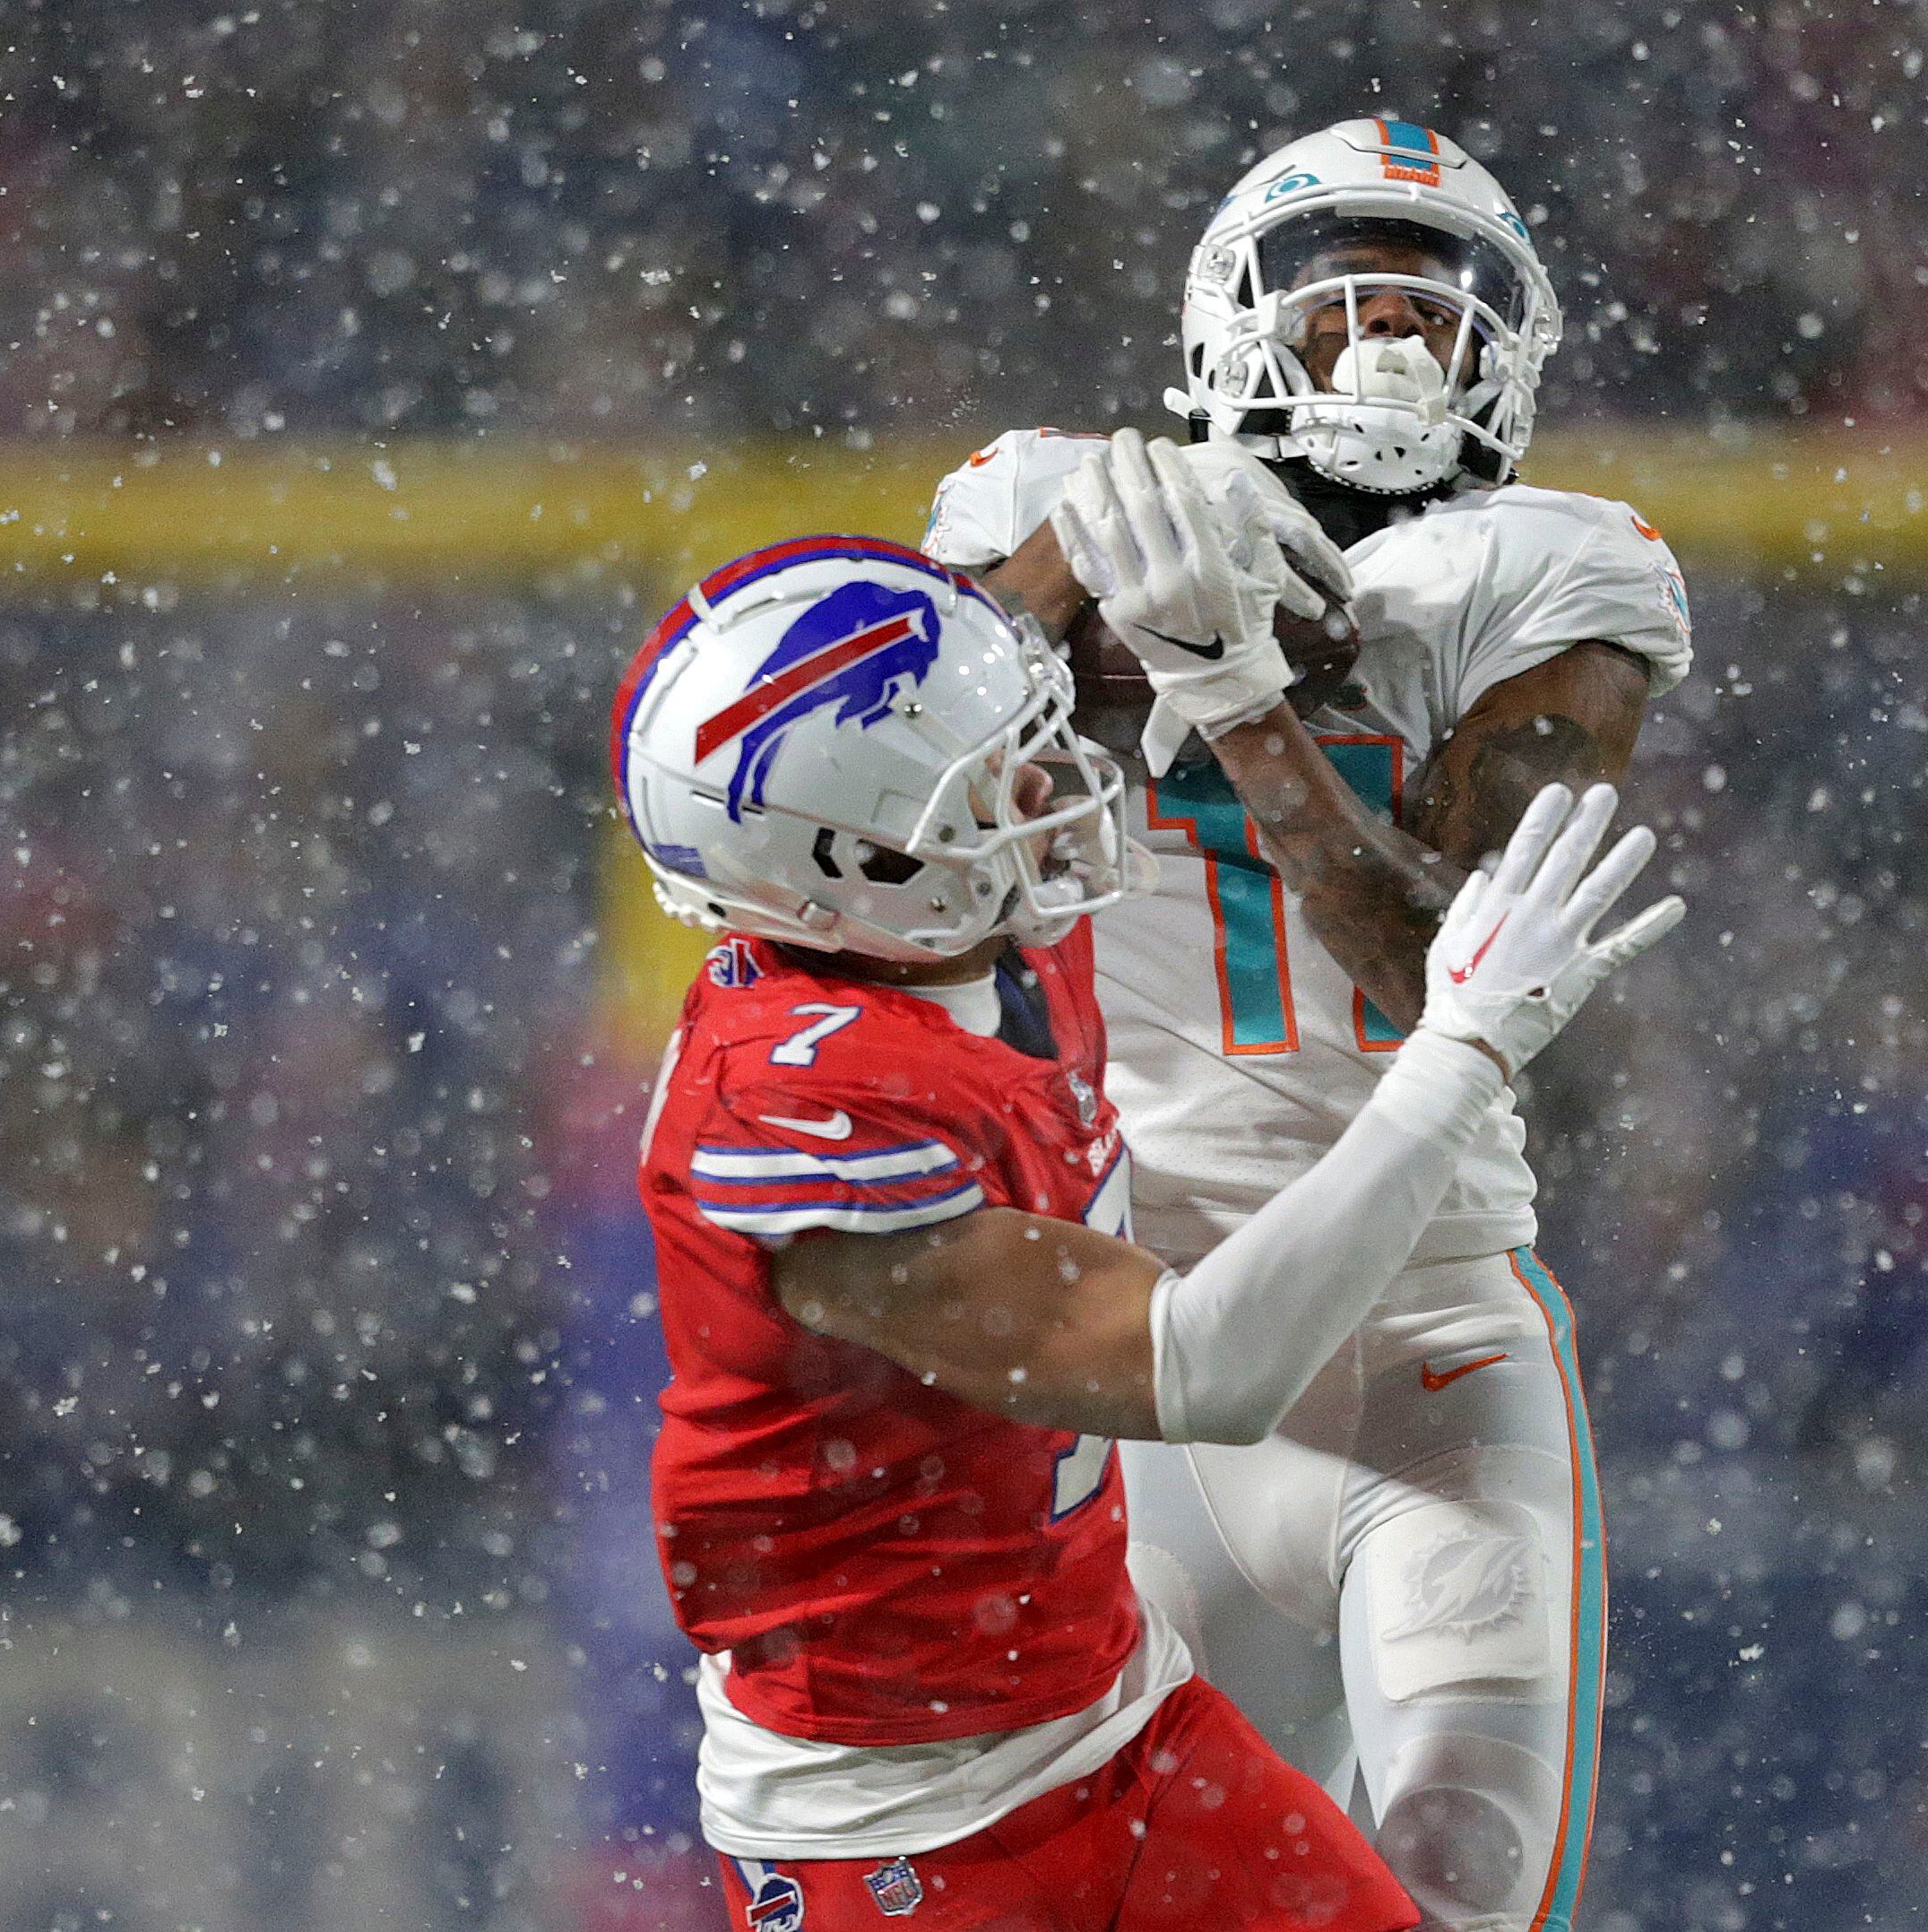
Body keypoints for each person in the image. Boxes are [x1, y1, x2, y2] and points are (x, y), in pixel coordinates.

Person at [609, 532, 1680, 1929]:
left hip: (1123, 1726)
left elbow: (1014, 625)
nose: (1053, 786)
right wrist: (1460, 1054)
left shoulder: (948, 940)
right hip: (903, 1830)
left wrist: (1123, 517)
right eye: (996, 781)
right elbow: (1204, 1371)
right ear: (851, 865)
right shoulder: (795, 1105)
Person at [920, 119, 1692, 1930]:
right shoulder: (1064, 493)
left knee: (1448, 1893)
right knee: (1064, 1900)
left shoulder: (1549, 573)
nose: (1396, 335)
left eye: (1435, 300)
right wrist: (1061, 586)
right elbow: (898, 776)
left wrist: (1241, 695)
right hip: (1128, 1330)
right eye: (1347, 295)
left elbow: (1444, 966)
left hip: (1423, 1341)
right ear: (1239, 319)